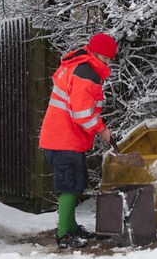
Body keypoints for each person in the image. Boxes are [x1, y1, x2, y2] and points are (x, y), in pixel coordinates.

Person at [39, 33, 118, 248]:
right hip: (63, 139)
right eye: (107, 58)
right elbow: (82, 113)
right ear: (96, 53)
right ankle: (64, 234)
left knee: (73, 184)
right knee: (68, 186)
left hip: (62, 137)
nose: (109, 62)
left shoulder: (80, 65)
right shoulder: (86, 72)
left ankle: (71, 226)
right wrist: (103, 131)